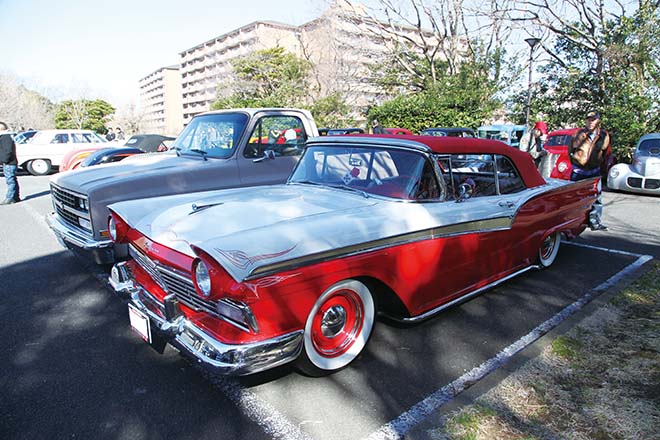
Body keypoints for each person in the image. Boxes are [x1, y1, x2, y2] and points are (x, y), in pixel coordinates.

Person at [569, 110, 610, 231]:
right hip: (578, 171)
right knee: (574, 198)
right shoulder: (578, 134)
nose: (590, 122)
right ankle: (572, 222)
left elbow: (606, 153)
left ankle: (595, 222)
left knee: (596, 197)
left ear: (598, 121)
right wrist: (576, 162)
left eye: (593, 119)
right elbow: (570, 151)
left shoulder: (604, 136)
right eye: (588, 119)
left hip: (594, 171)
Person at [0, 123, 21, 204]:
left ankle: (10, 198)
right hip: (10, 162)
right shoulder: (6, 137)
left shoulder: (5, 137)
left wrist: (4, 160)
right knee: (13, 180)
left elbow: (8, 151)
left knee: (10, 181)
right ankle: (16, 196)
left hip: (9, 163)